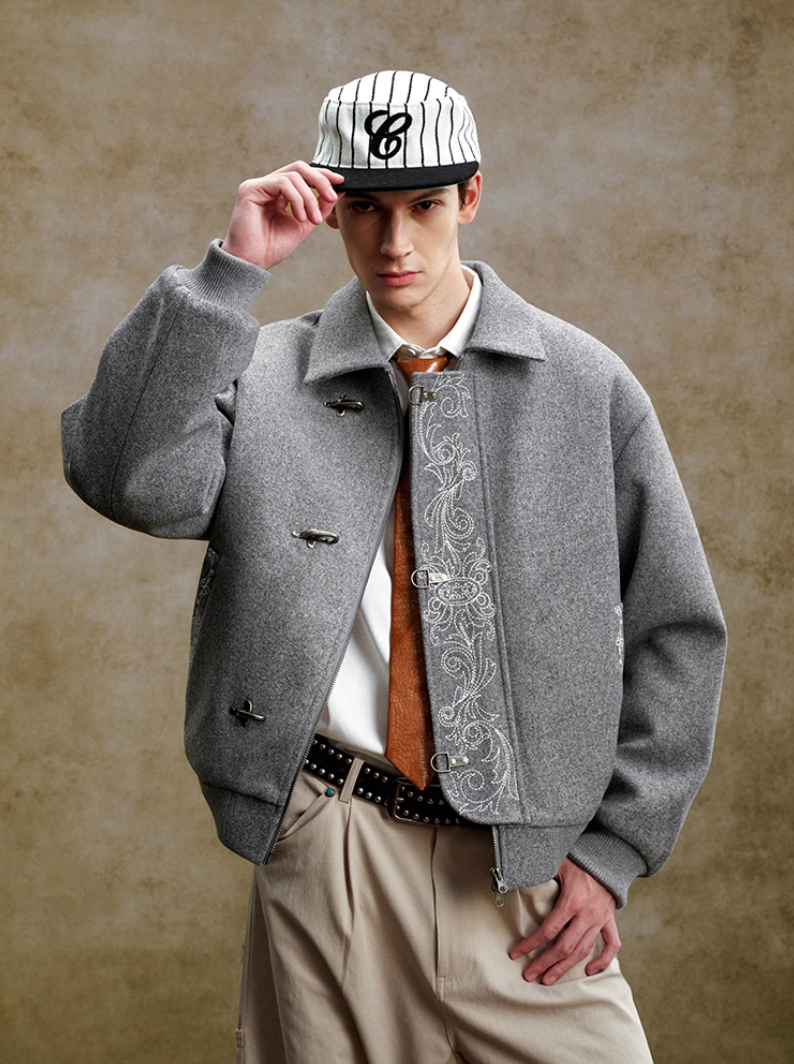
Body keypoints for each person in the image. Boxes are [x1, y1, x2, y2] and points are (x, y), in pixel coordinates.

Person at [62, 70, 727, 1064]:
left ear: (470, 196)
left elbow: (679, 627)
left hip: (525, 869)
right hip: (329, 847)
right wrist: (227, 276)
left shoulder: (586, 384)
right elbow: (123, 477)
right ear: (330, 210)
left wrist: (614, 847)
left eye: (423, 205)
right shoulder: (261, 374)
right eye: (366, 208)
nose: (394, 241)